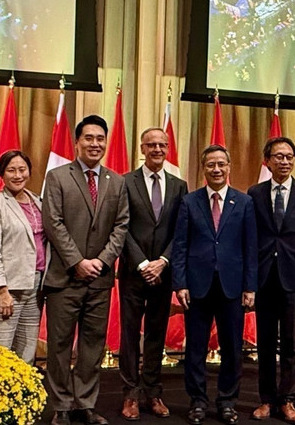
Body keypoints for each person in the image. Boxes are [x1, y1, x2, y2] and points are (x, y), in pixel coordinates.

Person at [42, 115, 129, 425]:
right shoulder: (57, 177)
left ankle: (85, 404)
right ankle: (62, 407)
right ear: (76, 142)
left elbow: (121, 226)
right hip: (64, 278)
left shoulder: (116, 181)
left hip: (100, 279)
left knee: (93, 345)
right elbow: (53, 223)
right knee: (60, 345)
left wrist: (102, 262)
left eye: (100, 138)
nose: (95, 144)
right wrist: (77, 262)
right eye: (88, 138)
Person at [171, 145, 257, 425]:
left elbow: (250, 247)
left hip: (232, 287)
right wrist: (180, 282)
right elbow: (181, 245)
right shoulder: (189, 201)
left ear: (229, 167)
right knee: (195, 347)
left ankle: (227, 401)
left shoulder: (244, 202)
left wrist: (250, 286)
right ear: (203, 168)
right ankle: (197, 401)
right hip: (197, 286)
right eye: (211, 165)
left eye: (221, 164)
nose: (216, 169)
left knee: (232, 348)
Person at [247, 137, 295, 424]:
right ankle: (266, 400)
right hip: (264, 278)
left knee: (291, 344)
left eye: (289, 156)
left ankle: (288, 400)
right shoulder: (254, 193)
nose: (285, 161)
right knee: (265, 343)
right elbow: (250, 239)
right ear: (267, 161)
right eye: (278, 157)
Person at [118, 128, 188, 420]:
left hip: (164, 273)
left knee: (157, 335)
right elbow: (120, 227)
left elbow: (180, 231)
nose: (158, 149)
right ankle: (130, 394)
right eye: (152, 145)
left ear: (168, 148)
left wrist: (162, 261)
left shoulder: (179, 185)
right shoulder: (124, 182)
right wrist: (143, 264)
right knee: (130, 335)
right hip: (135, 274)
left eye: (163, 145)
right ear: (142, 148)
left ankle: (153, 392)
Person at [0, 150, 47, 364]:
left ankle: (22, 396)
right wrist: (2, 290)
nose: (17, 175)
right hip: (6, 289)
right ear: (2, 174)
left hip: (35, 287)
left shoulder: (38, 201)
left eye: (22, 170)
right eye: (11, 170)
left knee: (25, 355)